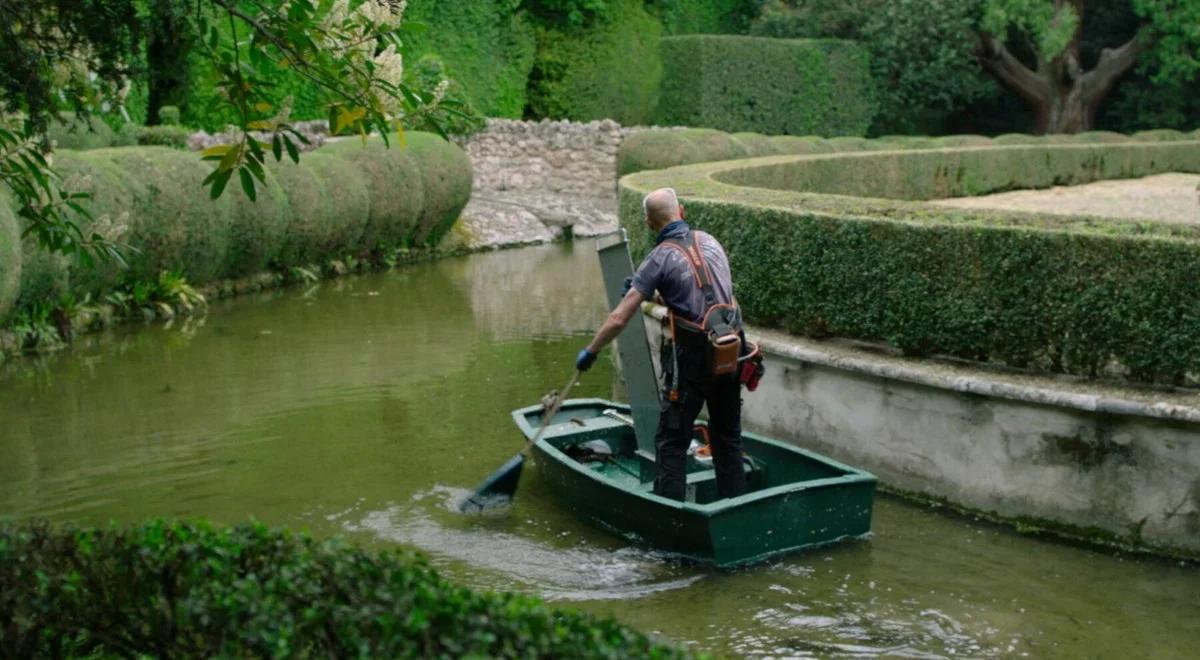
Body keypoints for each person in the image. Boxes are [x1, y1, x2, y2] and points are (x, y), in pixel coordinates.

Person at [575, 187, 747, 501]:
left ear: (648, 223)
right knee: (727, 437)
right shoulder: (711, 241)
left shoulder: (658, 258)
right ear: (681, 211)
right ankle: (736, 509)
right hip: (732, 352)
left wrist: (592, 351)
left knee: (671, 441)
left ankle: (673, 527)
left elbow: (618, 319)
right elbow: (702, 292)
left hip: (693, 362)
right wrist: (655, 292)